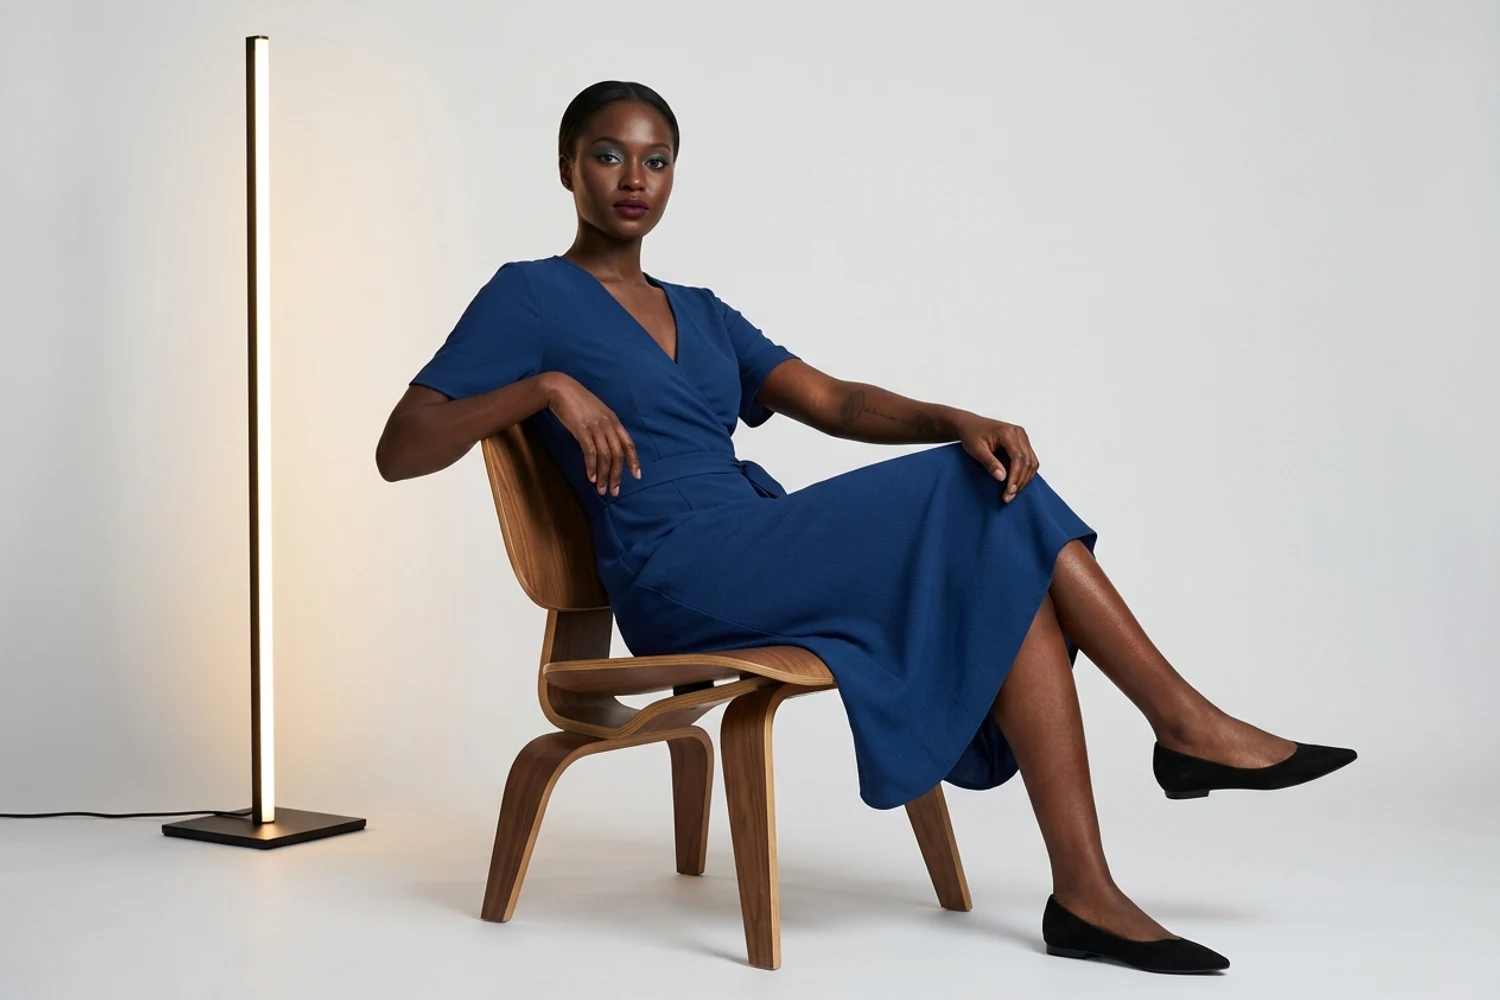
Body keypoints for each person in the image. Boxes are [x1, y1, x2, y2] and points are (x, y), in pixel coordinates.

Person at [375, 80, 1356, 975]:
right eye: (608, 154)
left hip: (756, 544)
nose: (634, 178)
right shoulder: (530, 296)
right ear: (565, 167)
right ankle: (1183, 726)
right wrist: (539, 387)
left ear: (675, 175)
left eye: (656, 159)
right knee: (974, 501)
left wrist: (956, 416)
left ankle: (1088, 892)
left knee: (1001, 545)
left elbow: (835, 401)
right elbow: (403, 444)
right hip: (681, 578)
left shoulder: (703, 311)